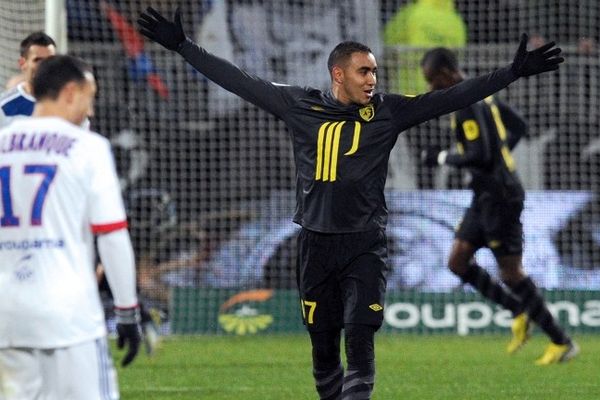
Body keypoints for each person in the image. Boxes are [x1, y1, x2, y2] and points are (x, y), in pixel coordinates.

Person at [137, 6, 563, 398]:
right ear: (337, 75)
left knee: (360, 342)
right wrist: (182, 45)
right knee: (324, 352)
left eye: (374, 71)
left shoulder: (388, 112)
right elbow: (238, 80)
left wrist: (511, 72)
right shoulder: (298, 104)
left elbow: (452, 97)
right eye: (363, 72)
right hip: (315, 247)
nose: (372, 79)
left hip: (365, 246)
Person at [420, 47, 579, 365]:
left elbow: (479, 155)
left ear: (448, 73)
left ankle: (562, 342)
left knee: (511, 273)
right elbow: (518, 125)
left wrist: (438, 157)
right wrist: (501, 159)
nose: (431, 88)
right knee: (458, 261)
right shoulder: (485, 97)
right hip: (484, 195)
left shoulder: (467, 104)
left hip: (501, 198)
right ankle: (517, 310)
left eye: (433, 80)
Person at [0, 55, 141, 399]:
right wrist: (126, 310)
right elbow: (111, 235)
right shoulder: (88, 147)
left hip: (7, 317)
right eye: (88, 98)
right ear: (69, 92)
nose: (89, 111)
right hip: (69, 317)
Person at [0, 32, 56, 127]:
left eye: (50, 60)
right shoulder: (3, 106)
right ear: (22, 63)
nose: (44, 66)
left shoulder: (68, 103)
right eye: (38, 60)